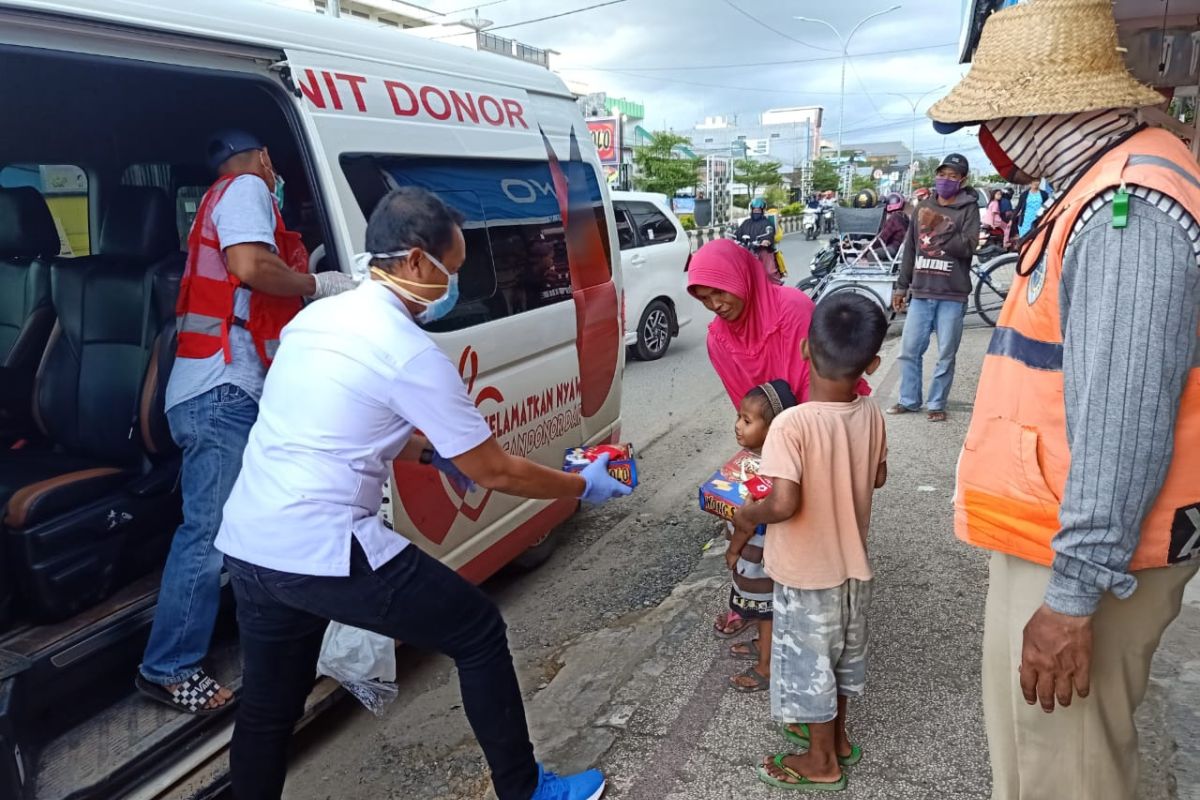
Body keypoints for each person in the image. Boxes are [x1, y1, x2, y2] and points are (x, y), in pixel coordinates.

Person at [213, 186, 630, 800]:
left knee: (269, 711)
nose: (452, 286)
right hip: (323, 545)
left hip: (252, 543)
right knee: (477, 631)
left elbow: (342, 425)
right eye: (451, 270)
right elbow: (496, 472)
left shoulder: (318, 318)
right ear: (414, 261)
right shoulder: (408, 350)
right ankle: (527, 790)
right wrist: (580, 486)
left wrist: (433, 454)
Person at [930, 1, 1200, 798]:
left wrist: (1072, 598)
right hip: (1063, 537)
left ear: (1046, 108)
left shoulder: (1130, 210)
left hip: (1087, 559)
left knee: (1064, 775)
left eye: (999, 116)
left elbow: (1123, 425)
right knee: (1038, 761)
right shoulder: (1103, 188)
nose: (995, 141)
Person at [137, 130, 355, 713]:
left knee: (244, 527)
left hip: (221, 390)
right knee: (209, 534)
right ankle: (169, 666)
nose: (274, 172)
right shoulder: (244, 188)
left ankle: (269, 635)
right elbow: (252, 265)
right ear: (263, 158)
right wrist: (316, 284)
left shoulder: (218, 197)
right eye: (272, 164)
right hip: (220, 392)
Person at [731, 293, 888, 792]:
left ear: (804, 349)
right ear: (873, 363)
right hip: (852, 570)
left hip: (805, 574)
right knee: (840, 661)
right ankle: (838, 740)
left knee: (810, 668)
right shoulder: (872, 414)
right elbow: (878, 476)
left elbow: (782, 504)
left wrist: (744, 513)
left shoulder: (791, 424)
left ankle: (821, 762)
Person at [888, 152, 980, 422]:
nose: (946, 180)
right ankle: (909, 399)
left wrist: (942, 228)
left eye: (953, 176)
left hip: (952, 294)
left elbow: (969, 247)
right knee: (909, 351)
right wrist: (901, 287)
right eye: (942, 174)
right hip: (922, 291)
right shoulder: (923, 206)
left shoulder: (968, 208)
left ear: (962, 180)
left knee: (945, 354)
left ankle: (937, 403)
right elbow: (911, 249)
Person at [721, 379, 799, 694]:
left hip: (755, 557)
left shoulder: (762, 471)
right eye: (739, 417)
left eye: (747, 421)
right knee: (764, 610)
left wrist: (733, 551)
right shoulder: (762, 461)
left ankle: (766, 668)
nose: (738, 426)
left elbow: (746, 523)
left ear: (772, 430)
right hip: (763, 556)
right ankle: (763, 645)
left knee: (766, 612)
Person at [687, 239, 818, 408]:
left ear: (741, 276)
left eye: (719, 291)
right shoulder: (718, 341)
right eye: (704, 298)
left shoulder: (793, 308)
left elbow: (820, 384)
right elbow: (747, 407)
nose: (715, 305)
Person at [735, 197, 780, 283]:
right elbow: (737, 234)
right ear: (751, 210)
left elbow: (770, 234)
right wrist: (734, 239)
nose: (756, 212)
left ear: (762, 211)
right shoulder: (746, 223)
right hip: (746, 250)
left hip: (761, 250)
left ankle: (777, 290)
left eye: (758, 210)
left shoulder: (766, 223)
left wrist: (765, 241)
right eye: (755, 210)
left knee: (770, 273)